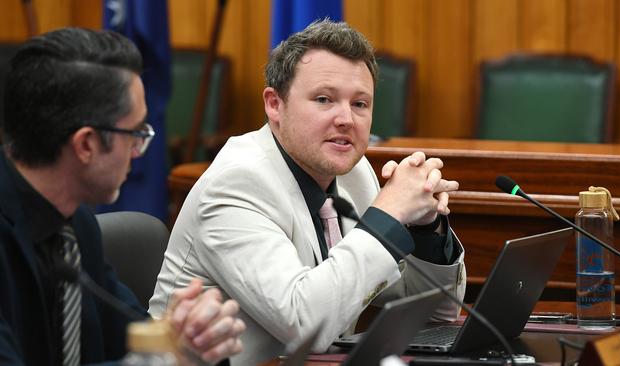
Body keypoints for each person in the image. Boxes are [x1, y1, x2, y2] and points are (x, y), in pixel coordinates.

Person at [150, 20, 466, 365]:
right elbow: (305, 324)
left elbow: (437, 312)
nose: (346, 118)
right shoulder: (236, 184)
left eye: (360, 104)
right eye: (324, 99)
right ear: (275, 105)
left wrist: (426, 229)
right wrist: (388, 214)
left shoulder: (353, 173)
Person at [0, 28, 244, 365]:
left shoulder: (73, 223)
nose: (140, 151)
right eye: (135, 133)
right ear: (86, 144)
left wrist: (190, 338)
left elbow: (137, 340)